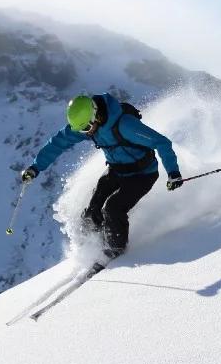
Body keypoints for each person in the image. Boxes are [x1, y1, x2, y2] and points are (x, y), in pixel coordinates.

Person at [21, 93, 182, 259]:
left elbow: (161, 142)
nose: (86, 133)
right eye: (81, 130)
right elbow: (57, 143)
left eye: (86, 128)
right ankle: (91, 246)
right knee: (92, 212)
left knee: (113, 208)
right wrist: (35, 167)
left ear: (96, 115)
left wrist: (173, 173)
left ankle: (116, 251)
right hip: (116, 171)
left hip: (142, 175)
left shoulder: (125, 126)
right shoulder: (88, 125)